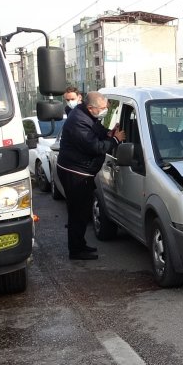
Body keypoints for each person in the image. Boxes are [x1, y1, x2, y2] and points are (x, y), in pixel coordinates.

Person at [56, 91, 125, 260]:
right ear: (90, 108)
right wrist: (115, 140)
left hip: (81, 171)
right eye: (101, 108)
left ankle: (80, 245)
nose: (104, 111)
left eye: (105, 107)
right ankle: (76, 250)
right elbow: (95, 147)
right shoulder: (78, 121)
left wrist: (109, 133)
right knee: (78, 213)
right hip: (75, 173)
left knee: (82, 211)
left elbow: (97, 131)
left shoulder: (86, 115)